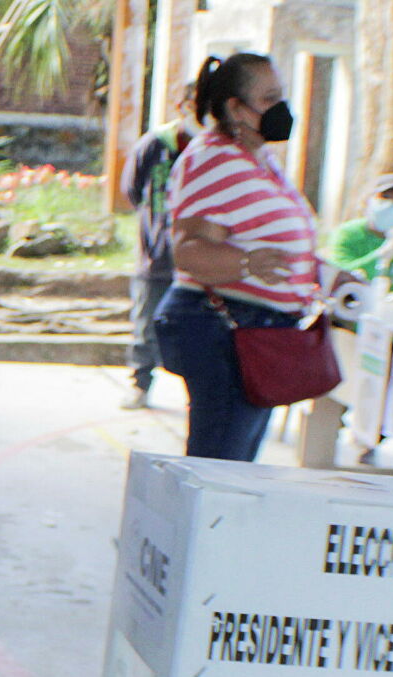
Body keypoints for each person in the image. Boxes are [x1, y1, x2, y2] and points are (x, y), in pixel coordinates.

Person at [156, 53, 346, 461]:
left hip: (257, 331)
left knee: (235, 463)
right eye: (269, 98)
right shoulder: (211, 161)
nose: (282, 108)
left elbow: (279, 243)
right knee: (220, 469)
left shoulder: (260, 161)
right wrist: (245, 264)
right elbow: (188, 251)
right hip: (223, 328)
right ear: (234, 108)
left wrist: (329, 275)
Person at [118, 82, 197, 409]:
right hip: (158, 255)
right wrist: (157, 227)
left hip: (197, 260)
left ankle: (196, 393)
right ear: (183, 106)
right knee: (146, 323)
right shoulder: (155, 145)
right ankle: (141, 384)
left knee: (196, 330)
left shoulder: (213, 149)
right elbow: (132, 189)